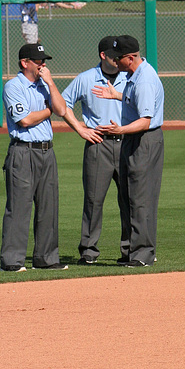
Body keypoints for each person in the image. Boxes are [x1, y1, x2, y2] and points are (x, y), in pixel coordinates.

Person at [92, 35, 165, 268]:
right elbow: (137, 102)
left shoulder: (143, 80)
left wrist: (120, 129)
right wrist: (117, 95)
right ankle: (132, 250)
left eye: (117, 58)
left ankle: (143, 254)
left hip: (143, 140)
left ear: (130, 58)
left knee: (140, 197)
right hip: (133, 140)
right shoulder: (134, 76)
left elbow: (145, 120)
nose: (114, 61)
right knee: (127, 196)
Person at [62, 37, 130, 265]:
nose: (118, 59)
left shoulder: (130, 76)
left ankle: (131, 250)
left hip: (127, 143)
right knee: (93, 200)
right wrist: (80, 128)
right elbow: (63, 104)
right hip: (98, 144)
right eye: (114, 55)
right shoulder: (86, 78)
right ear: (103, 55)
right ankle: (89, 251)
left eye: (120, 55)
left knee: (129, 199)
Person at [1, 43, 68, 272]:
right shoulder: (13, 87)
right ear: (25, 63)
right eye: (39, 61)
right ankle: (12, 261)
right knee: (19, 207)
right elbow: (25, 120)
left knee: (48, 207)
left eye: (44, 60)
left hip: (47, 151)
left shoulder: (44, 85)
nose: (43, 64)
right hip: (23, 151)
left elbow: (62, 110)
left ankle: (46, 259)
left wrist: (50, 82)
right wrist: (48, 111)